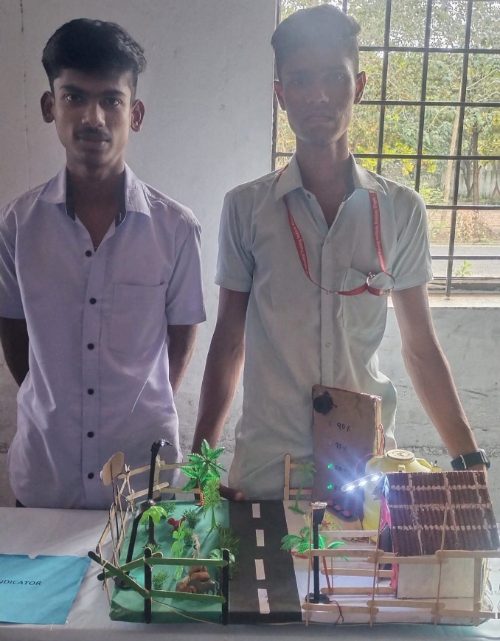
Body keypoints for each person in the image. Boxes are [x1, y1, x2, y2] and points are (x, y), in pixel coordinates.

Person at [192, 5, 488, 501]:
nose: (319, 95)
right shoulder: (246, 208)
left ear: (360, 86)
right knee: (259, 558)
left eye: (335, 77)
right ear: (280, 94)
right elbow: (228, 342)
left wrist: (469, 464)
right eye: (300, 80)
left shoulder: (401, 210)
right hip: (267, 473)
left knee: (368, 560)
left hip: (365, 474)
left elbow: (420, 348)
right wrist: (199, 468)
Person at [0, 19, 206, 509]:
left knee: (144, 565)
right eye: (74, 96)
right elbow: (12, 329)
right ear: (49, 106)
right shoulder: (18, 226)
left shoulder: (175, 228)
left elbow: (181, 337)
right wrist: (54, 404)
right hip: (47, 476)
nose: (93, 117)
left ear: (135, 114)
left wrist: (140, 406)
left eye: (111, 100)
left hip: (144, 477)